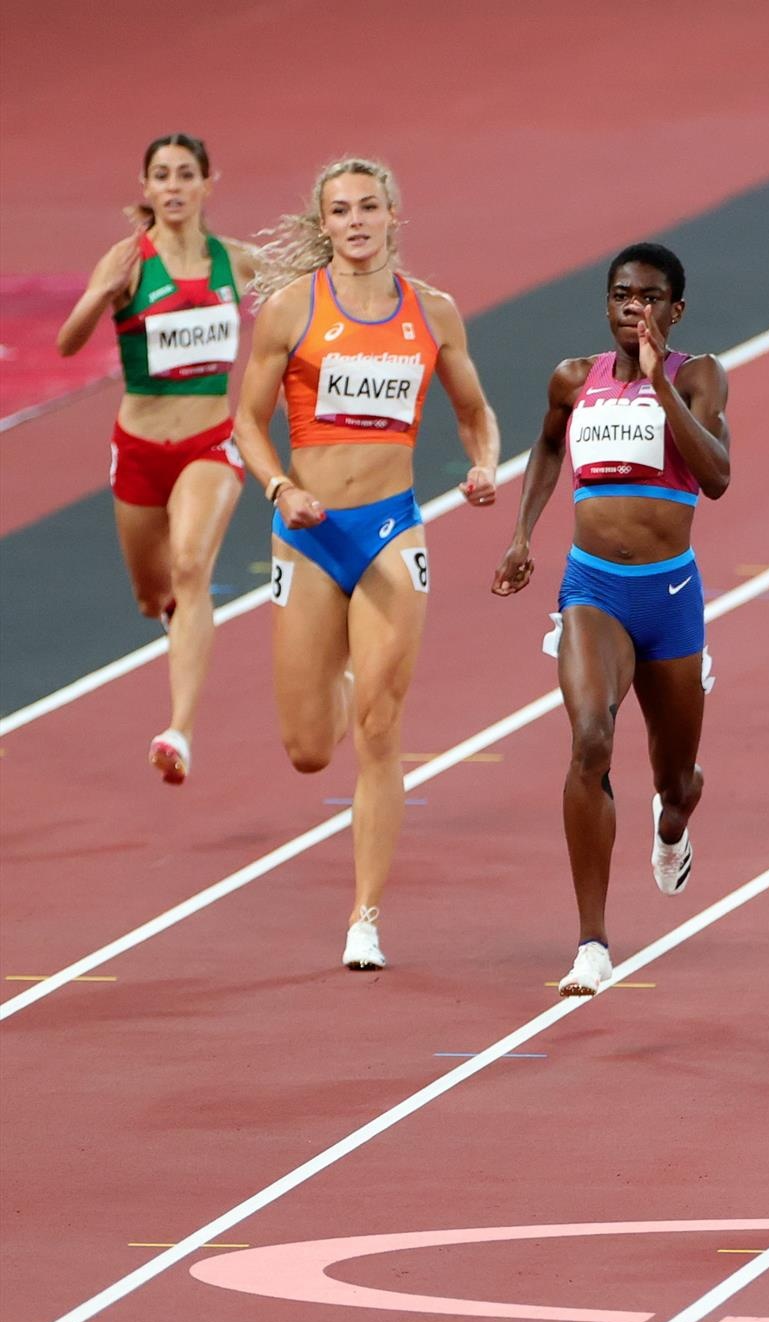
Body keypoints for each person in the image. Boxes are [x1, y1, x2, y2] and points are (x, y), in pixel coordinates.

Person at [232, 157, 500, 970]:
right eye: (340, 210)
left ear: (393, 216)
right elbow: (245, 422)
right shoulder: (291, 310)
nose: (355, 221)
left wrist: (485, 463)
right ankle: (340, 678)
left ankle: (364, 917)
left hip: (391, 530)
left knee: (382, 731)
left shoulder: (434, 313)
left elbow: (475, 412)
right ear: (323, 225)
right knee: (310, 747)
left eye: (368, 207)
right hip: (308, 534)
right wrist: (280, 488)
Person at [493, 243, 729, 996]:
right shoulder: (573, 378)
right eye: (624, 295)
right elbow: (544, 448)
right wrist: (523, 535)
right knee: (590, 738)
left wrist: (660, 384)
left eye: (652, 297)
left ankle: (673, 824)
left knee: (677, 776)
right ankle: (592, 942)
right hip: (592, 589)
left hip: (669, 598)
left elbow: (717, 475)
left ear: (675, 310)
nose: (637, 308)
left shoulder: (698, 376)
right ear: (607, 304)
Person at [54, 133, 261, 783]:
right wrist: (100, 294)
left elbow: (313, 283)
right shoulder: (128, 261)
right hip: (140, 449)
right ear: (146, 189)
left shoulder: (239, 261)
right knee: (154, 595)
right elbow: (67, 344)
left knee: (193, 563)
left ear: (207, 183)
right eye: (161, 176)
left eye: (185, 174)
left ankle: (179, 732)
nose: (173, 186)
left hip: (210, 442)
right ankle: (173, 614)